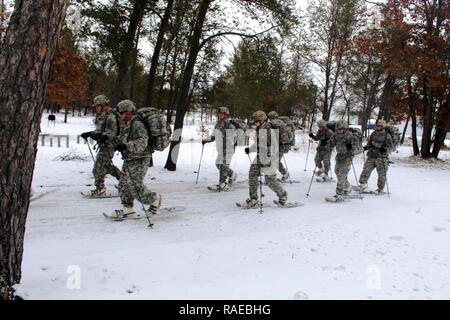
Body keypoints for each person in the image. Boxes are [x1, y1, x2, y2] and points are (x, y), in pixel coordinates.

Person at [109, 100, 162, 218]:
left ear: (129, 112)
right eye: (120, 113)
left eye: (123, 112)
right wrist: (110, 141)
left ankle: (154, 199)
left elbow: (143, 142)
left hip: (141, 158)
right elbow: (123, 139)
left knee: (135, 185)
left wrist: (126, 146)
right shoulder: (127, 124)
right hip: (129, 158)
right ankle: (128, 209)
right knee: (123, 185)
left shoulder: (137, 124)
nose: (121, 115)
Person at [238, 110, 287, 208]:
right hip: (261, 155)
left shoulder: (268, 130)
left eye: (256, 121)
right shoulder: (260, 129)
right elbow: (258, 144)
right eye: (255, 121)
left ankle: (282, 195)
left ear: (262, 120)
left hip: (269, 155)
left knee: (269, 179)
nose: (255, 123)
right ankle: (254, 199)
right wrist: (251, 149)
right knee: (252, 173)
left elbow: (273, 145)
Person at [81, 95, 122, 196]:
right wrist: (90, 134)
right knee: (107, 167)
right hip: (104, 144)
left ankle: (100, 189)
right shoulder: (102, 115)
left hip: (110, 145)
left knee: (98, 167)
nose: (96, 108)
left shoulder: (110, 116)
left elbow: (113, 132)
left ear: (103, 105)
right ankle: (126, 181)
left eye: (97, 106)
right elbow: (99, 132)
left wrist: (105, 136)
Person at [202, 107, 237, 191]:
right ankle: (233, 175)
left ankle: (222, 184)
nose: (220, 115)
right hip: (221, 150)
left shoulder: (230, 126)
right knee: (218, 164)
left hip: (228, 150)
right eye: (219, 113)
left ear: (226, 115)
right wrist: (206, 140)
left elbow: (234, 139)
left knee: (223, 166)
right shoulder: (218, 124)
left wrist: (227, 139)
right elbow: (213, 136)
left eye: (222, 113)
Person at [355, 120, 393, 194]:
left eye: (380, 126)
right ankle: (363, 184)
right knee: (366, 170)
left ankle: (380, 188)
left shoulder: (387, 136)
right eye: (377, 126)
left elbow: (391, 147)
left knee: (381, 174)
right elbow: (369, 144)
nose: (378, 127)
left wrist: (385, 150)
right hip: (372, 156)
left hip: (381, 157)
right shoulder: (373, 134)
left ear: (383, 127)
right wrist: (365, 148)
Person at [325, 120, 357, 202]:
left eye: (343, 129)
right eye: (339, 129)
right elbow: (331, 143)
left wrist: (351, 149)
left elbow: (359, 149)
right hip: (339, 157)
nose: (341, 131)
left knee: (342, 175)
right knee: (337, 172)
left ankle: (339, 194)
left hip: (347, 157)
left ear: (346, 129)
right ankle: (348, 187)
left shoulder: (351, 136)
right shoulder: (336, 135)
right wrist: (324, 143)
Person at [267, 111, 290, 182]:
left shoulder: (274, 123)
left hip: (278, 145)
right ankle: (284, 173)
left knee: (274, 160)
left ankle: (275, 176)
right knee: (275, 160)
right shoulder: (281, 123)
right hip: (282, 145)